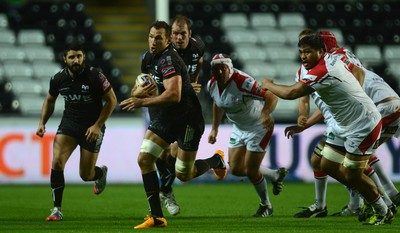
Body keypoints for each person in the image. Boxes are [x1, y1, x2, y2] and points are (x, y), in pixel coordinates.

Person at [261, 35, 394, 225]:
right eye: (301, 52)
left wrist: (268, 85)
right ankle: (371, 196)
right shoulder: (331, 60)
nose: (303, 56)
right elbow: (356, 70)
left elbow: (291, 93)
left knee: (352, 174)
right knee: (327, 164)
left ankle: (382, 208)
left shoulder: (323, 70)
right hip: (343, 124)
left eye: (308, 52)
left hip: (363, 124)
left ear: (321, 51)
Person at [119, 21, 227, 229]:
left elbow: (174, 95)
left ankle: (216, 160)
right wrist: (138, 93)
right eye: (151, 36)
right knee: (145, 159)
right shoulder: (148, 58)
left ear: (168, 40)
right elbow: (145, 84)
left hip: (188, 119)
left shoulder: (169, 60)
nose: (153, 41)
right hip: (167, 117)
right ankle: (157, 217)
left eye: (158, 37)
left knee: (183, 174)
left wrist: (141, 101)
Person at [36, 42, 117, 221]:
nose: (76, 60)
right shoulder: (58, 79)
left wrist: (97, 125)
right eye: (72, 57)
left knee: (85, 175)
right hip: (70, 124)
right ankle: (56, 209)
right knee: (57, 162)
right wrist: (42, 123)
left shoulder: (95, 76)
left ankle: (100, 173)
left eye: (79, 56)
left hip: (92, 125)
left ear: (84, 57)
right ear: (65, 59)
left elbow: (112, 101)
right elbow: (50, 100)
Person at [206, 53, 288, 217]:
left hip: (259, 127)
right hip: (238, 127)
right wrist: (214, 128)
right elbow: (218, 103)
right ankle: (274, 175)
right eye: (216, 69)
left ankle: (266, 205)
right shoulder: (212, 85)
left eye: (222, 69)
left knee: (251, 171)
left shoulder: (243, 82)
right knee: (236, 169)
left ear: (229, 68)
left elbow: (271, 96)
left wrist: (265, 113)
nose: (219, 72)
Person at [154, 14, 205, 216]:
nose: (178, 37)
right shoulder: (163, 53)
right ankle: (166, 191)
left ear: (189, 34)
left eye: (182, 33)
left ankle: (166, 191)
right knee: (160, 154)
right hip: (162, 105)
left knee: (174, 157)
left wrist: (193, 81)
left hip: (184, 109)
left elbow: (199, 62)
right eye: (174, 33)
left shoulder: (198, 47)